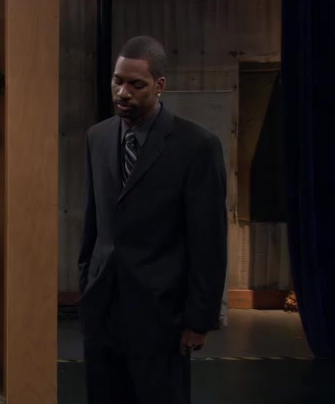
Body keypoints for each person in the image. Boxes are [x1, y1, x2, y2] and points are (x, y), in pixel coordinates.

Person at [77, 35, 227, 403]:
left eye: (135, 84)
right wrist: (86, 284)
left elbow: (208, 240)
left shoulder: (197, 146)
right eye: (117, 81)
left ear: (159, 85)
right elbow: (93, 221)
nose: (122, 93)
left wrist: (198, 319)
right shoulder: (98, 137)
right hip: (103, 308)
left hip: (162, 315)